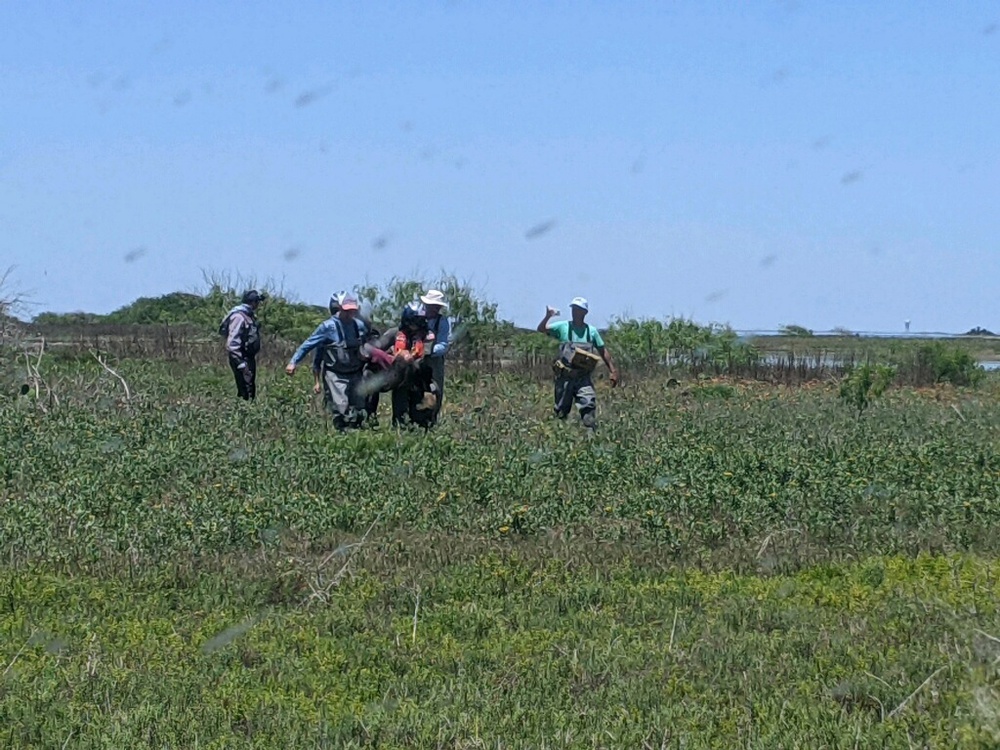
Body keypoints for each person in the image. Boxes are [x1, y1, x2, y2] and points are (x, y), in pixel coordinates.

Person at [286, 293, 370, 431]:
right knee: (341, 407)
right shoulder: (327, 327)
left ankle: (357, 436)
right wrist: (293, 362)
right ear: (340, 308)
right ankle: (342, 434)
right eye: (347, 310)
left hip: (355, 372)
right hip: (335, 374)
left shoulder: (359, 326)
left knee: (359, 408)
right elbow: (308, 344)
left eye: (353, 310)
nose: (350, 314)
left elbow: (367, 344)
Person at [537, 297, 619, 431]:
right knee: (561, 412)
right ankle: (560, 442)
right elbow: (541, 329)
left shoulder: (591, 331)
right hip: (565, 378)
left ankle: (591, 441)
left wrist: (613, 370)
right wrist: (548, 316)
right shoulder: (563, 327)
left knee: (588, 407)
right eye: (573, 309)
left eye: (578, 310)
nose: (575, 312)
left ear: (585, 313)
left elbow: (603, 351)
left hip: (583, 378)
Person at [390, 301, 438, 428]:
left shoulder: (428, 335)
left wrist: (410, 357)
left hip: (422, 378)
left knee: (427, 399)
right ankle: (400, 426)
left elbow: (424, 355)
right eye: (415, 320)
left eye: (420, 320)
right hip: (402, 378)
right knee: (400, 397)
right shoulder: (397, 333)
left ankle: (424, 426)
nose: (417, 324)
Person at [221, 289, 266, 401]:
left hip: (247, 358)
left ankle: (245, 412)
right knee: (246, 390)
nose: (258, 305)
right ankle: (243, 414)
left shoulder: (248, 316)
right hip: (241, 358)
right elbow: (232, 342)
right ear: (253, 302)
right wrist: (240, 362)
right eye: (257, 302)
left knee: (249, 387)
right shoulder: (239, 317)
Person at [420, 289, 451, 425]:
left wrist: (429, 350)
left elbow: (443, 344)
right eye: (431, 305)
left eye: (436, 306)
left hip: (434, 361)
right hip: (416, 359)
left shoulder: (442, 322)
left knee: (436, 389)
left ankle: (432, 420)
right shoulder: (417, 318)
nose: (433, 308)